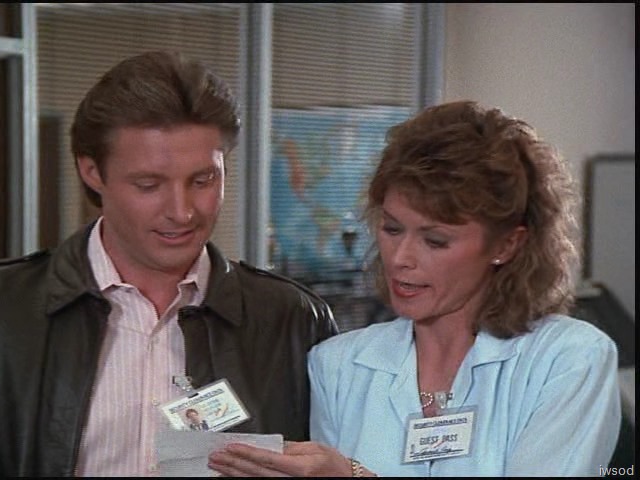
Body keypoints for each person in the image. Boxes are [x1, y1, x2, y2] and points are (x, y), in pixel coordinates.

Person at [0, 50, 338, 477]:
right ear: (92, 172)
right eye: (148, 184)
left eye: (202, 180)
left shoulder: (292, 321)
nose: (181, 211)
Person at [207, 100, 622, 477]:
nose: (400, 258)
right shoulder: (339, 366)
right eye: (391, 229)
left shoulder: (568, 360)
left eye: (435, 241)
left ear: (506, 245)